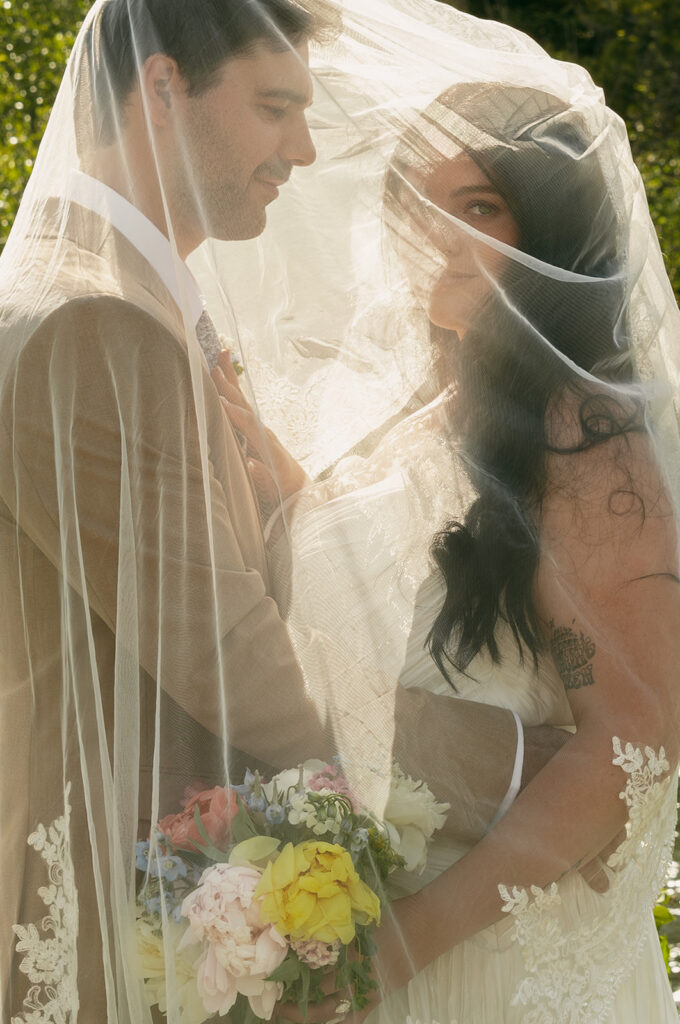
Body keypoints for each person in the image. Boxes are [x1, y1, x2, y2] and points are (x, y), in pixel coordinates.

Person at [0, 1, 563, 1019]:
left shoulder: (134, 294)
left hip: (196, 875)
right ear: (165, 89)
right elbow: (224, 644)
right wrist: (516, 761)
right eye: (273, 107)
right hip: (113, 900)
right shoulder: (92, 320)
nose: (300, 149)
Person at [231, 70, 680, 1021]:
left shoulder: (585, 440)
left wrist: (393, 953)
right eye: (419, 206)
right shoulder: (429, 410)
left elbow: (636, 744)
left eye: (478, 207)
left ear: (550, 237)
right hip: (365, 918)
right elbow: (414, 572)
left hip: (490, 957)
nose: (439, 235)